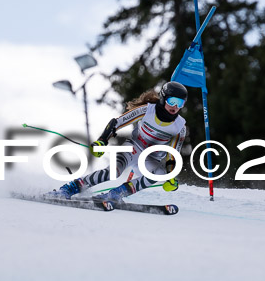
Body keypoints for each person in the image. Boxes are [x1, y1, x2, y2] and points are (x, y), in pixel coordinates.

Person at [48, 81, 188, 201]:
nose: (175, 107)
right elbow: (117, 122)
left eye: (180, 103)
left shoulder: (180, 127)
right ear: (164, 98)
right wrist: (102, 141)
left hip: (150, 159)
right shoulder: (147, 110)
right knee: (112, 172)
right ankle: (68, 189)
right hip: (133, 148)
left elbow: (172, 154)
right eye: (172, 101)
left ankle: (116, 194)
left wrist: (171, 175)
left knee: (157, 175)